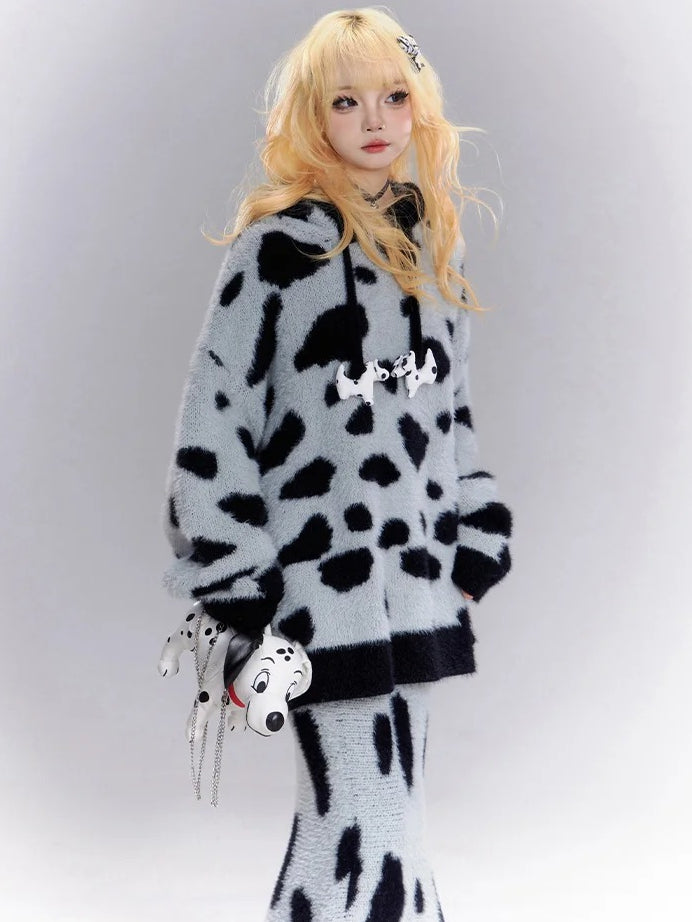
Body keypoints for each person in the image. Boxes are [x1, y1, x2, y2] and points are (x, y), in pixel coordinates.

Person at [160, 8, 513, 920]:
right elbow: (213, 425)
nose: (375, 119)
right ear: (312, 116)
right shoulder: (277, 252)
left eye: (395, 96)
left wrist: (474, 537)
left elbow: (452, 415)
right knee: (349, 818)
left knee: (398, 819)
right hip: (318, 593)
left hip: (420, 586)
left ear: (420, 105)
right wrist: (239, 587)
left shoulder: (433, 244)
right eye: (346, 101)